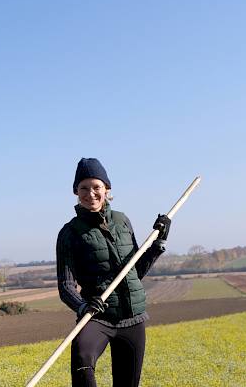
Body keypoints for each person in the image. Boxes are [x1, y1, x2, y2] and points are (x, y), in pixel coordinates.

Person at [56, 158, 171, 387]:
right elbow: (66, 286)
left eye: (96, 187)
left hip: (133, 318)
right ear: (76, 192)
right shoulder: (69, 233)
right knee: (82, 360)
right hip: (97, 317)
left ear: (106, 189)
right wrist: (82, 306)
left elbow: (135, 271)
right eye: (84, 188)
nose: (91, 194)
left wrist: (158, 243)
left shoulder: (122, 220)